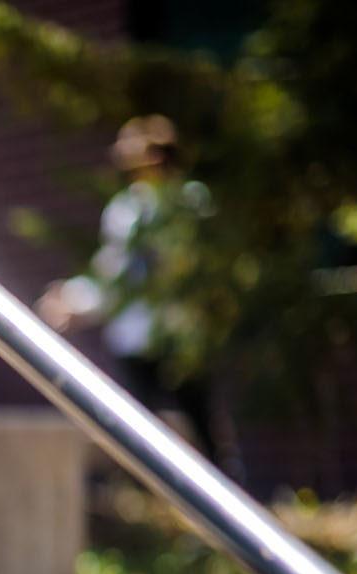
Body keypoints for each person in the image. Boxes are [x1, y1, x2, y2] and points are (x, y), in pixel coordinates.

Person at [36, 114, 225, 463]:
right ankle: (161, 501)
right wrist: (79, 298)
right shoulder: (134, 208)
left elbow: (126, 276)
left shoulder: (181, 204)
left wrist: (76, 301)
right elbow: (117, 273)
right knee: (150, 424)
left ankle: (211, 498)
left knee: (191, 418)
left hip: (173, 333)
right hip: (149, 333)